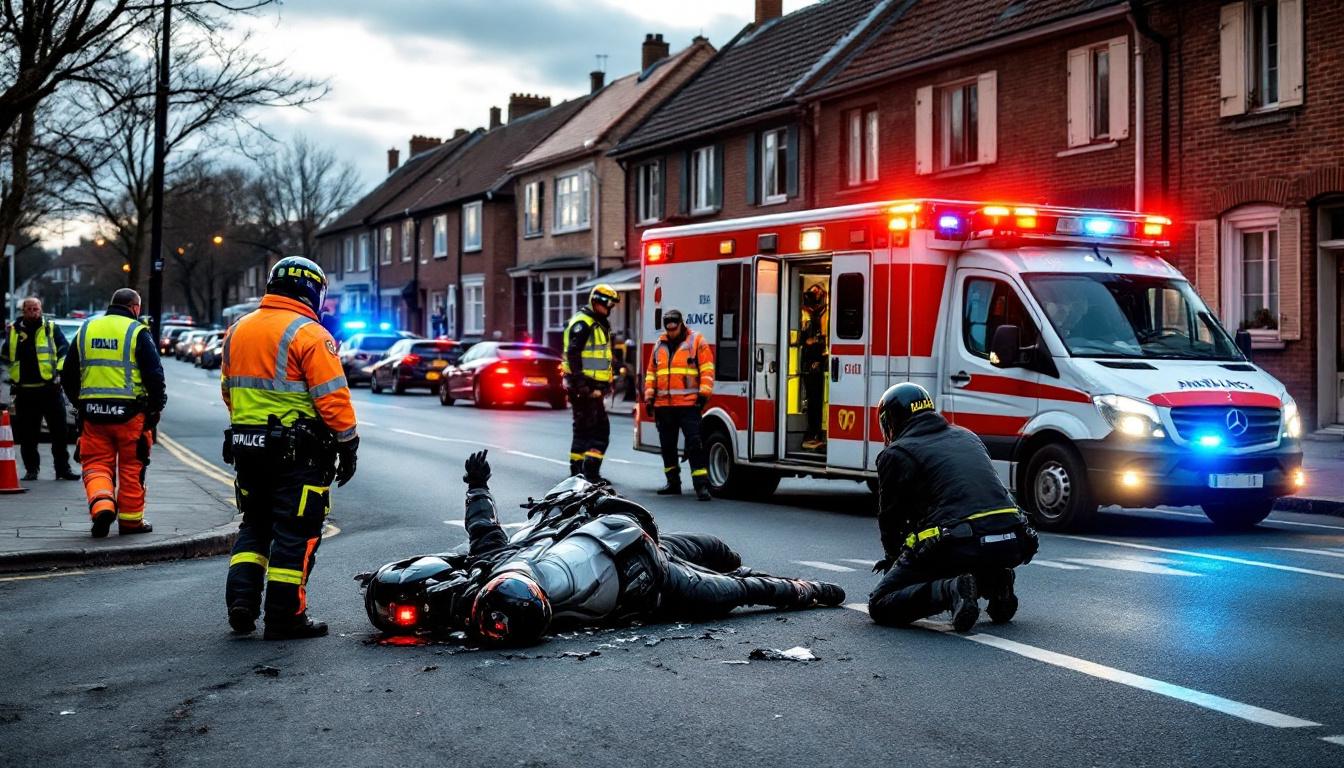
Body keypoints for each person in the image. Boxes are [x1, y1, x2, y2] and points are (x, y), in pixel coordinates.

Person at [361, 450, 844, 645]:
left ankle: (760, 572)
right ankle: (804, 587)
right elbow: (736, 592)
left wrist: (476, 486)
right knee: (731, 584)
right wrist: (809, 588)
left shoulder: (499, 569)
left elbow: (484, 534)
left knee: (720, 554)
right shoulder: (525, 585)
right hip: (651, 573)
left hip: (605, 530)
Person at [220, 256, 359, 641]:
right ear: (313, 290)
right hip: (298, 456)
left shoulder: (237, 331)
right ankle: (284, 617)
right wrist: (348, 444)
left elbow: (228, 391)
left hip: (248, 450)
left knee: (255, 526)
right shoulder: (310, 335)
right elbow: (333, 400)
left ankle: (242, 603)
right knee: (296, 533)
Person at [867, 383, 1039, 632]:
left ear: (890, 420)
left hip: (960, 544)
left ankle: (951, 590)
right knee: (959, 544)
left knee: (880, 603)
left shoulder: (896, 453)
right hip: (1013, 540)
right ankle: (994, 581)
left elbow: (891, 521)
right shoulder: (967, 435)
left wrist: (895, 564)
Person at [60, 289, 166, 537]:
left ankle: (102, 506)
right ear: (135, 307)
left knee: (96, 465)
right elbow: (154, 374)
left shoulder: (86, 329)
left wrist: (80, 403)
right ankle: (130, 522)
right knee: (132, 468)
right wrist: (155, 407)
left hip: (93, 415)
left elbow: (68, 374)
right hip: (130, 416)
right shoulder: (137, 332)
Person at [3, 297, 77, 481]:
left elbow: (64, 351)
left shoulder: (50, 328)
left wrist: (60, 371)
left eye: (36, 308)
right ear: (23, 311)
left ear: (41, 309)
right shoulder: (13, 331)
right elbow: (5, 357)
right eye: (29, 309)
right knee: (28, 435)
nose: (33, 312)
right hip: (24, 391)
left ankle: (62, 469)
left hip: (50, 389)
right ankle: (31, 470)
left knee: (60, 433)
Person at [644, 309, 715, 500]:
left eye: (674, 329)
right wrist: (649, 398)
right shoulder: (660, 344)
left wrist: (703, 395)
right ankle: (673, 483)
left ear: (681, 324)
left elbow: (707, 369)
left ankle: (701, 486)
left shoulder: (696, 341)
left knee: (694, 445)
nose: (671, 332)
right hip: (663, 405)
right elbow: (651, 373)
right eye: (668, 329)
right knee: (667, 446)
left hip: (688, 405)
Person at [563, 284, 618, 480]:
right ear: (597, 302)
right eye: (608, 304)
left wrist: (609, 379)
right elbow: (574, 355)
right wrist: (583, 387)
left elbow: (600, 357)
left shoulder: (596, 322)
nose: (610, 308)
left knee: (587, 429)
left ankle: (581, 473)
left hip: (592, 387)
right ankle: (586, 474)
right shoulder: (584, 323)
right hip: (584, 387)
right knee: (595, 431)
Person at [799, 283, 828, 450]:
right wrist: (815, 343)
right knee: (813, 402)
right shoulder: (807, 313)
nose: (815, 295)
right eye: (813, 292)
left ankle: (814, 434)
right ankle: (811, 434)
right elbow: (807, 340)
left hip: (816, 362)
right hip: (810, 363)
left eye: (817, 292)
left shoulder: (818, 313)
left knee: (816, 402)